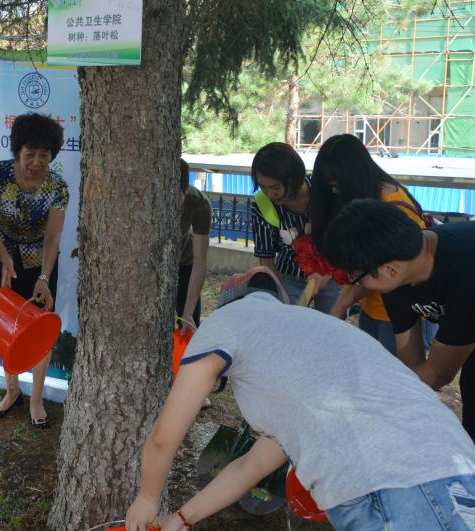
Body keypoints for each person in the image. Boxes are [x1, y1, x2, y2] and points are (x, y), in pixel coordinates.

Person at [124, 267, 475, 531]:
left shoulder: (226, 322)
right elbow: (249, 467)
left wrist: (148, 498)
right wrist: (183, 518)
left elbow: (164, 437)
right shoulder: (306, 341)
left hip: (391, 483)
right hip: (458, 464)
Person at [322, 198, 475, 443]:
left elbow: (438, 373)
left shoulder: (465, 275)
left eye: (356, 276)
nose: (354, 283)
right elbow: (412, 365)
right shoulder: (399, 269)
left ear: (389, 270)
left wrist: (371, 406)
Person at [309, 134, 431, 354]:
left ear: (353, 177)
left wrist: (341, 305)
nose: (334, 192)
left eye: (336, 185)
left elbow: (381, 270)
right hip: (373, 306)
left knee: (394, 370)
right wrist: (327, 275)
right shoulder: (371, 200)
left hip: (399, 314)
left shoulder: (392, 209)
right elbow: (364, 266)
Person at [0, 112, 68, 428]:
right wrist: (5, 258)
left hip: (41, 263)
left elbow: (53, 237)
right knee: (7, 325)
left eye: (44, 155)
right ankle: (13, 390)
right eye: (30, 154)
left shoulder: (58, 186)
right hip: (4, 257)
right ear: (17, 151)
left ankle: (36, 399)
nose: (36, 162)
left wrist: (44, 278)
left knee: (40, 327)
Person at [250, 142, 340, 312]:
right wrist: (279, 295)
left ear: (294, 177)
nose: (270, 194)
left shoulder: (325, 192)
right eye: (263, 187)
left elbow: (345, 240)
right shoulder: (262, 204)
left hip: (333, 272)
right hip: (289, 276)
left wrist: (328, 272)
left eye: (275, 187)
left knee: (332, 321)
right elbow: (266, 257)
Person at [177, 159, 211, 329]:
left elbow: (199, 261)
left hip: (184, 262)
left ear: (186, 191)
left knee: (187, 326)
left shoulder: (199, 203)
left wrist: (188, 312)